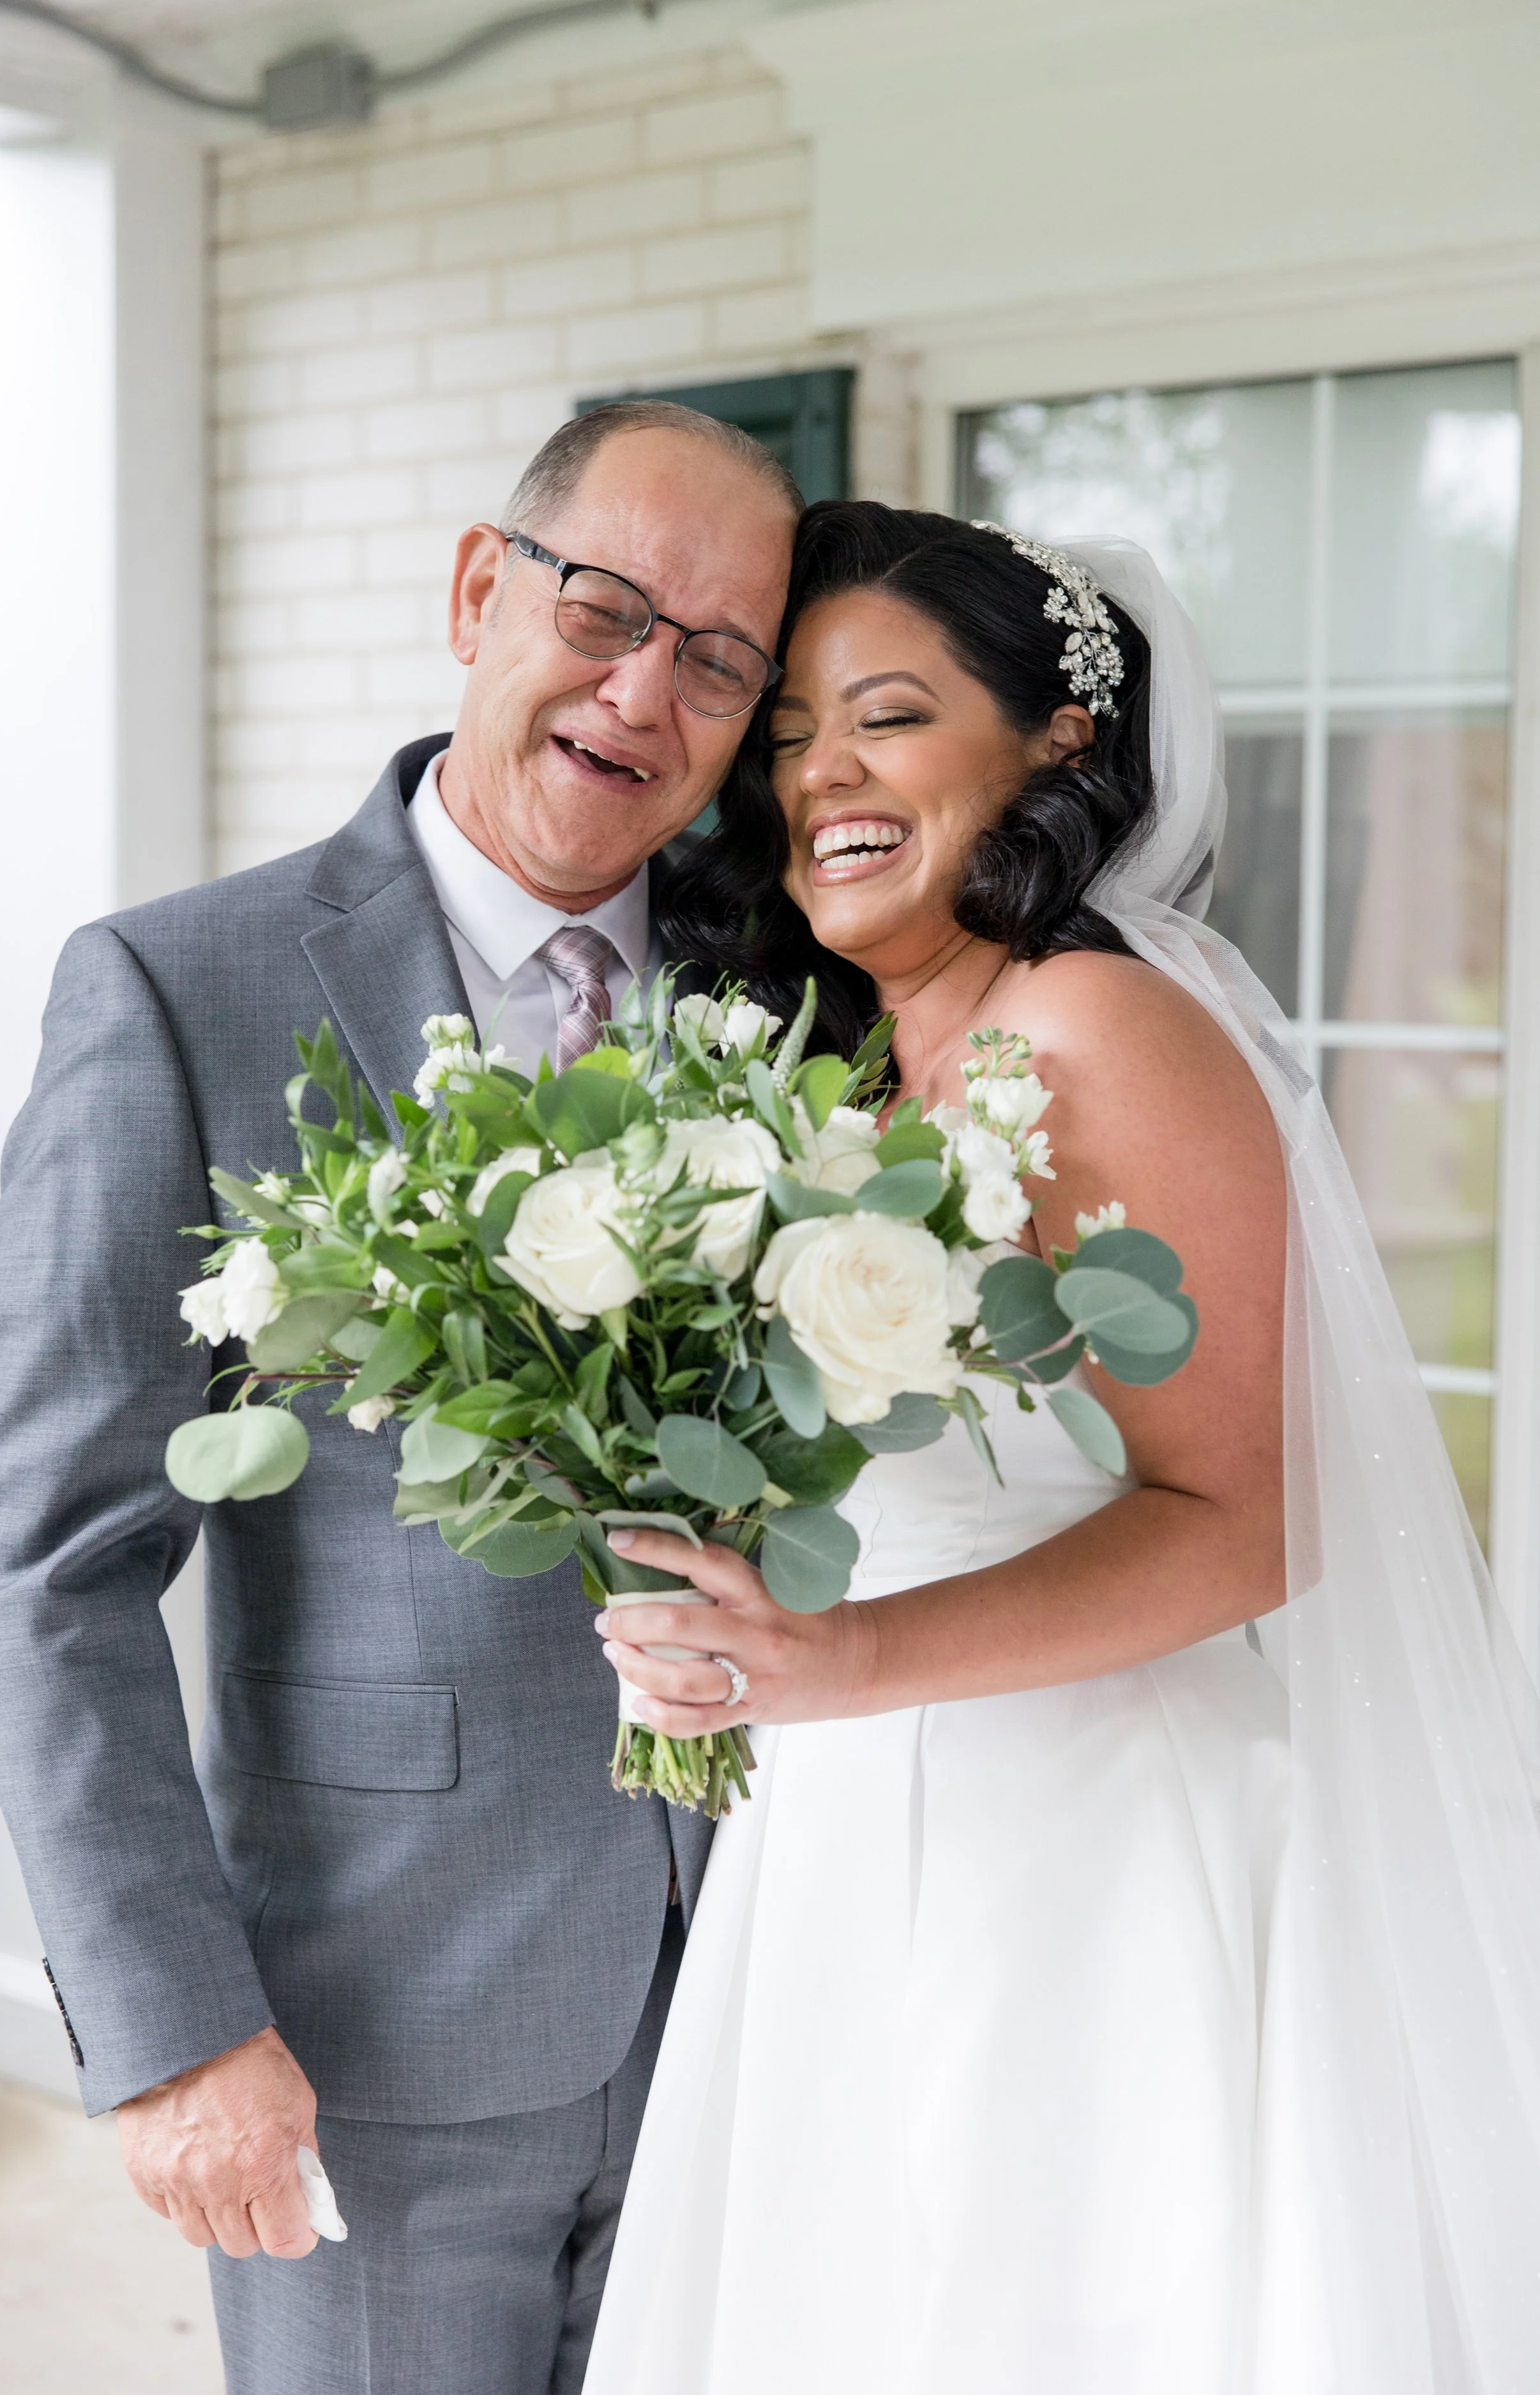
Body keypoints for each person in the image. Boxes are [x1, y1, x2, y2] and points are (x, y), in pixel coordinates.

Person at [584, 503, 1540, 2392]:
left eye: (888, 716)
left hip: (1084, 1853)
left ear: (1057, 741)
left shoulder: (1097, 1026)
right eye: (785, 733)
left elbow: (1250, 1520)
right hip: (847, 1823)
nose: (818, 773)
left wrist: (841, 1656)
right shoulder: (835, 1068)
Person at [0, 400, 797, 2395]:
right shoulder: (181, 990)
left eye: (719, 660)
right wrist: (169, 2025)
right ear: (476, 590)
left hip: (769, 1994)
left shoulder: (785, 1000)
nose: (641, 689)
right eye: (603, 608)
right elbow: (47, 1558)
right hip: (376, 2033)